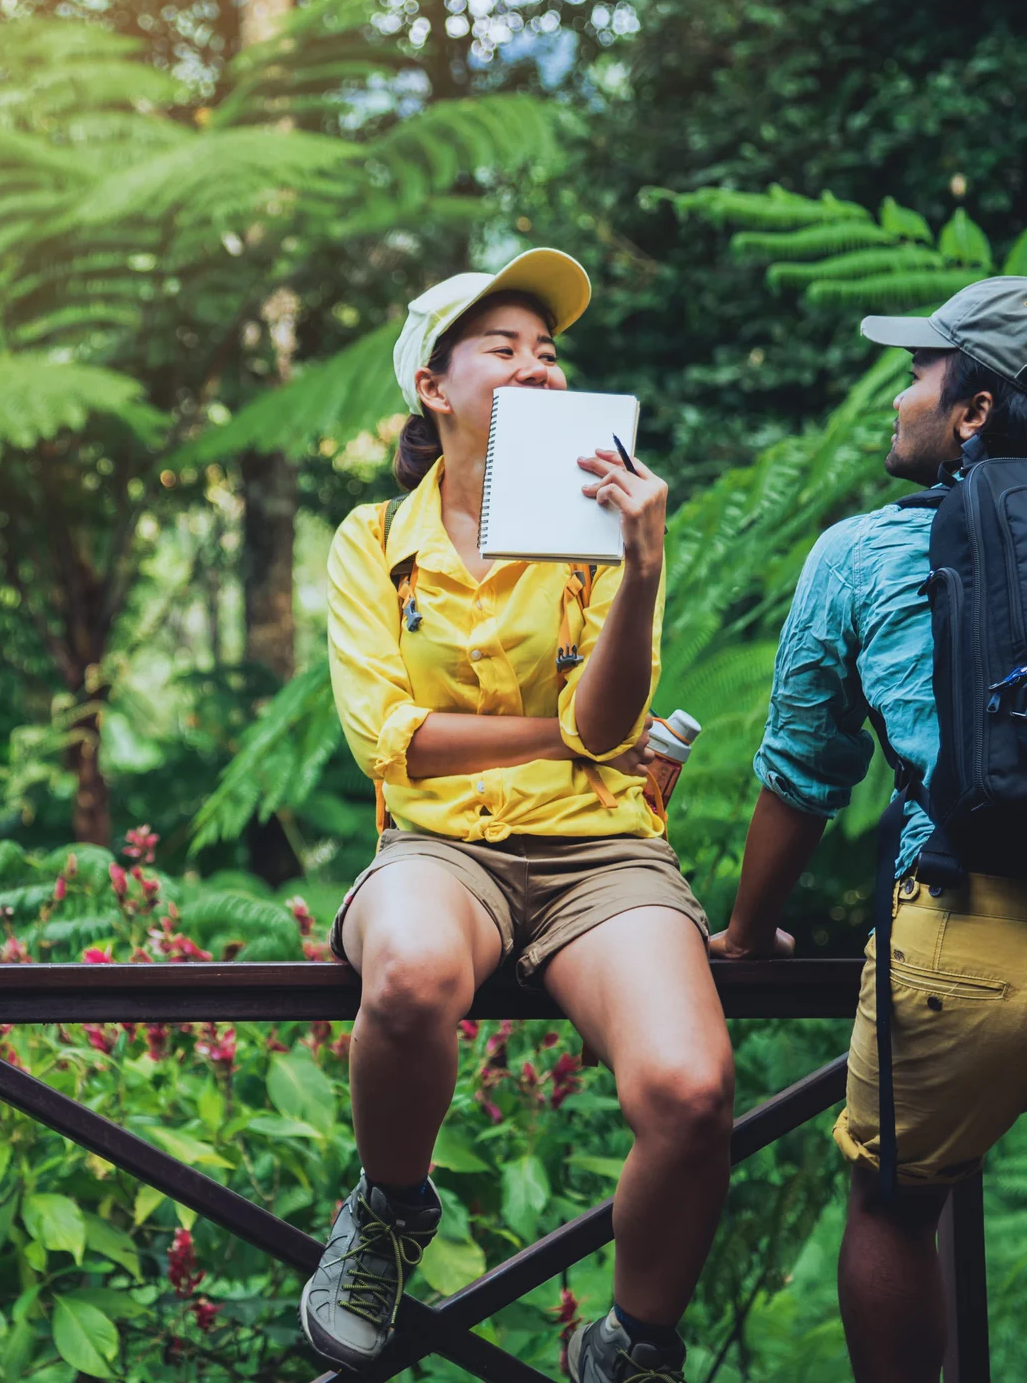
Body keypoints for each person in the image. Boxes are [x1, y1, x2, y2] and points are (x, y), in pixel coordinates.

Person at [709, 276, 1027, 1383]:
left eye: (918, 375)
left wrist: (749, 938)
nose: (900, 399)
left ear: (976, 409)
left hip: (962, 936)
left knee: (896, 1207)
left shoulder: (862, 555)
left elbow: (802, 775)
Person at [303, 249, 730, 1383]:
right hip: (438, 848)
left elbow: (612, 715)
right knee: (405, 976)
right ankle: (389, 1216)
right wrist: (564, 738)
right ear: (435, 387)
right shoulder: (370, 543)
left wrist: (639, 567)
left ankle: (633, 1339)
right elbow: (389, 741)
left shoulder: (604, 531)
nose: (540, 367)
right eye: (505, 347)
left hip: (601, 854)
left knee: (690, 1091)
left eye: (550, 350)